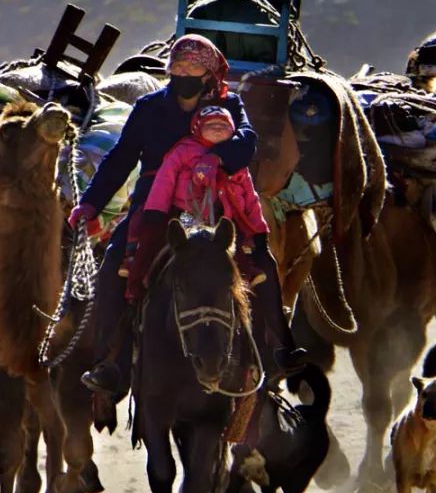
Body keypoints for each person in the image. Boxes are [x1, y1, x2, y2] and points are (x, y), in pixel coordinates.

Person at [67, 34, 304, 398]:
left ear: (209, 73)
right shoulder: (148, 108)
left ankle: (280, 349)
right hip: (156, 206)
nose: (184, 73)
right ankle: (109, 364)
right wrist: (90, 203)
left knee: (261, 259)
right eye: (178, 66)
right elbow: (120, 158)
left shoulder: (228, 105)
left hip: (215, 204)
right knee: (116, 260)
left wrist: (217, 158)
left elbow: (246, 144)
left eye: (194, 67)